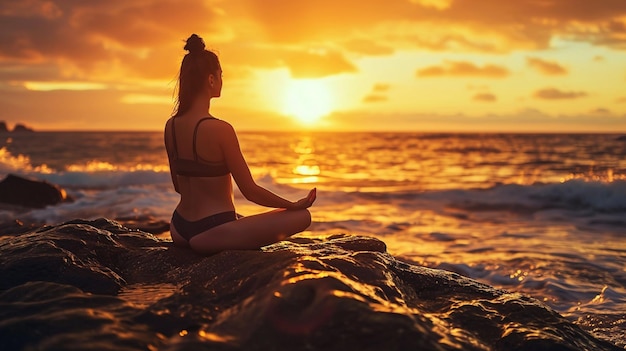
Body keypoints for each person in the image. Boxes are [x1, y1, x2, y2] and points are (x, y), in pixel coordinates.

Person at [164, 34, 316, 255]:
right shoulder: (220, 129)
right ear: (211, 80)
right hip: (211, 233)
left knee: (244, 221)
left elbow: (178, 186)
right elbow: (250, 192)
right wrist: (293, 205)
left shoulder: (171, 126)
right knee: (303, 217)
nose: (222, 80)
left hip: (178, 227)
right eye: (221, 75)